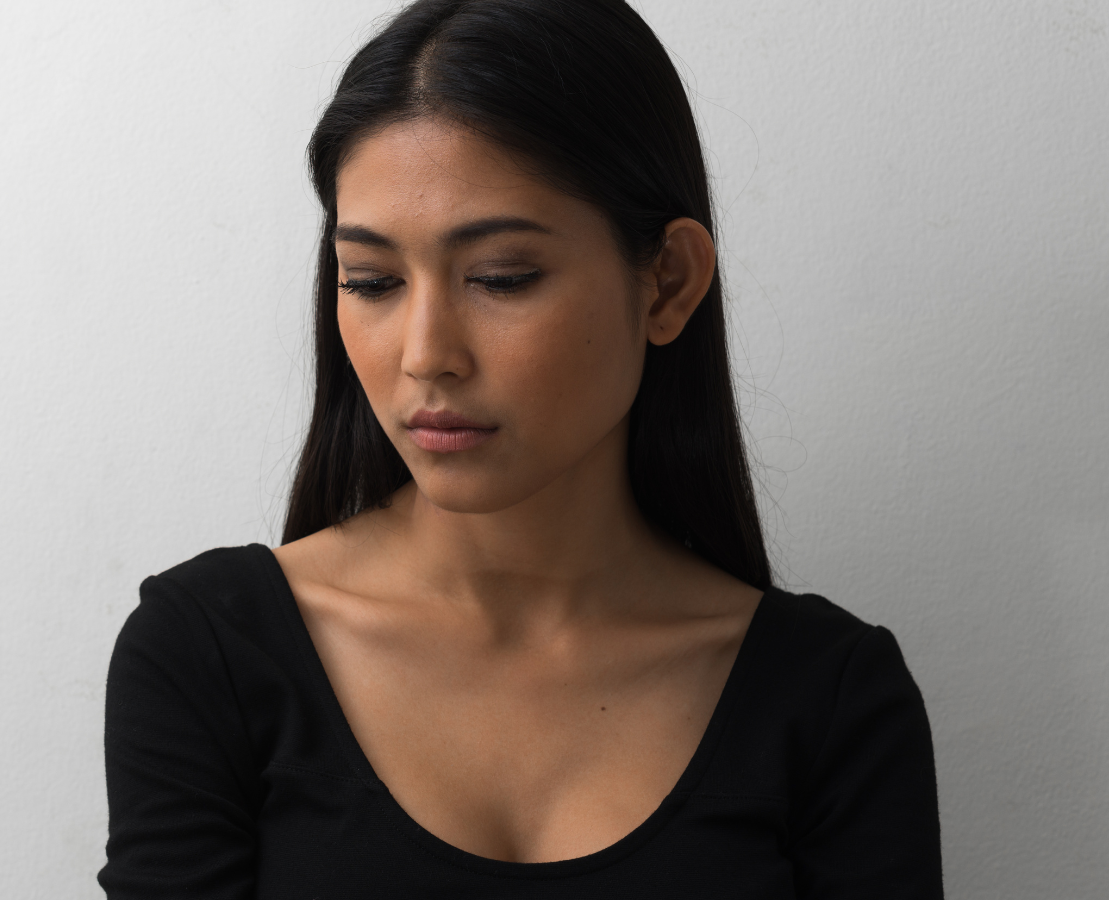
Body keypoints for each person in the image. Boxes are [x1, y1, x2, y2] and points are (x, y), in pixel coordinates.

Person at [98, 0, 942, 896]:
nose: (426, 354)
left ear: (667, 283)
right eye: (372, 281)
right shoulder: (208, 655)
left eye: (502, 277)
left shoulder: (829, 700)